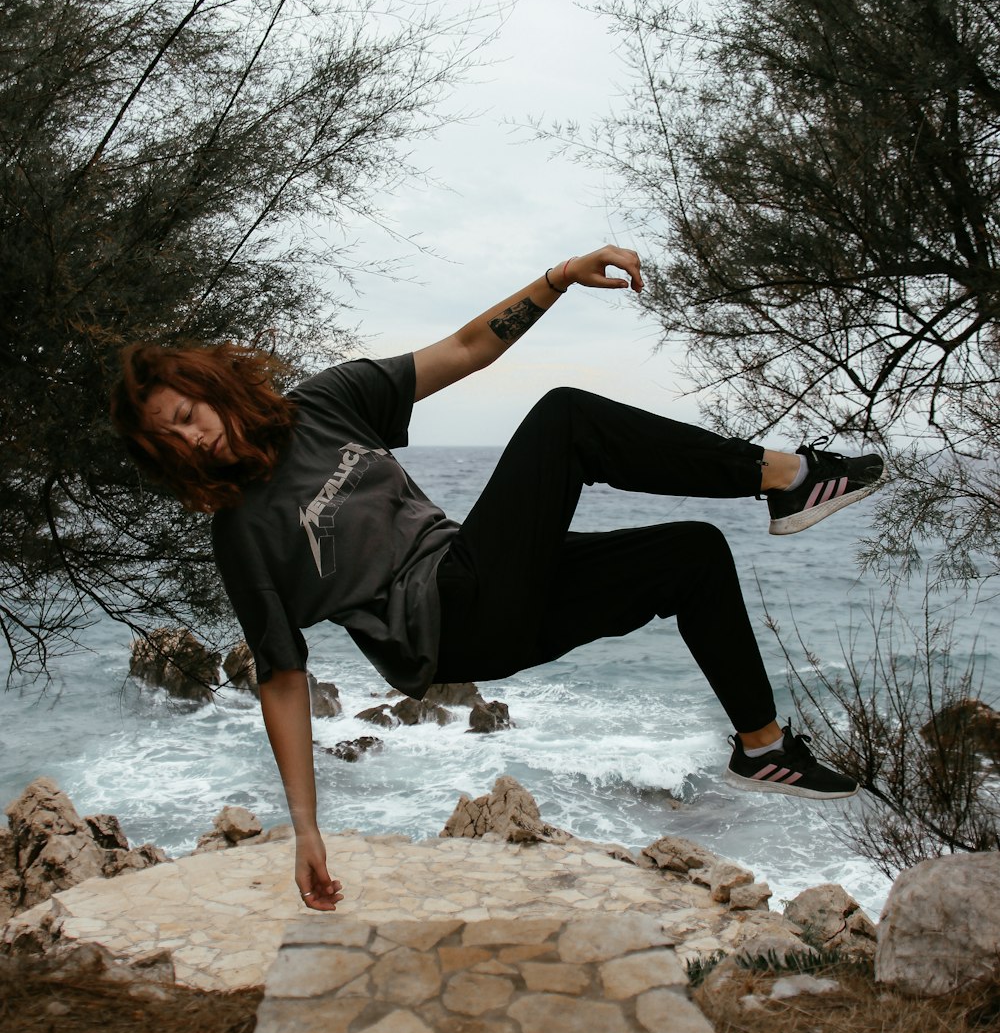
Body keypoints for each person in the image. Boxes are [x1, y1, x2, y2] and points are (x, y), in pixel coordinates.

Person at [112, 245, 884, 913]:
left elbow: (468, 347)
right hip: (449, 621)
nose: (192, 437)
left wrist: (558, 278)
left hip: (486, 587)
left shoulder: (326, 404)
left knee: (692, 554)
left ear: (212, 387)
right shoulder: (241, 531)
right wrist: (307, 828)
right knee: (567, 419)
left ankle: (762, 747)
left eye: (188, 412)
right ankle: (786, 476)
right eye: (170, 437)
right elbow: (282, 675)